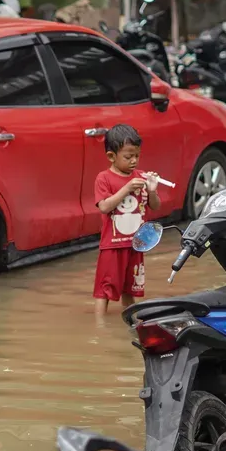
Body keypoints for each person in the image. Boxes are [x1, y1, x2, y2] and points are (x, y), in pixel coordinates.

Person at [93, 124, 161, 315]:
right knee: (104, 290)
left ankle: (131, 322)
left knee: (130, 289)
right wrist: (127, 189)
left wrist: (152, 190)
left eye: (137, 156)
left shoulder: (141, 177)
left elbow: (155, 206)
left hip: (136, 245)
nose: (134, 161)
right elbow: (104, 207)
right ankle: (100, 326)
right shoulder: (104, 178)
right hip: (112, 246)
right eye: (128, 156)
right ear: (111, 156)